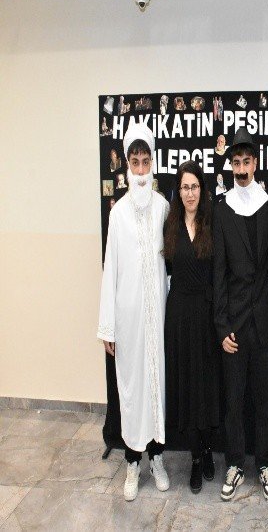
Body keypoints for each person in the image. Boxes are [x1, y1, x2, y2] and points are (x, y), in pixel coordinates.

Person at [97, 122, 170, 502]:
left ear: (153, 163)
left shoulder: (163, 208)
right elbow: (110, 271)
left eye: (146, 162)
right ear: (127, 165)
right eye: (135, 163)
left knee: (155, 387)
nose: (141, 171)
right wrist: (108, 327)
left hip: (157, 320)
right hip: (127, 321)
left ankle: (156, 458)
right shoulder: (118, 214)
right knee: (131, 389)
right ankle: (131, 461)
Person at [213, 127, 268, 502]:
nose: (240, 168)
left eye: (246, 162)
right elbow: (218, 273)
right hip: (234, 325)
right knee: (234, 402)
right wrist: (221, 326)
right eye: (235, 162)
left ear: (255, 163)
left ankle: (265, 463)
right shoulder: (221, 209)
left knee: (264, 401)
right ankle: (235, 464)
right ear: (231, 165)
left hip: (263, 322)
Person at [163, 161, 220, 494]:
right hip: (180, 317)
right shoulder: (169, 226)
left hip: (207, 315)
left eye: (194, 186)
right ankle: (196, 457)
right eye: (184, 187)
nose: (189, 193)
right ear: (178, 191)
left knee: (206, 386)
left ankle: (208, 448)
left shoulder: (212, 223)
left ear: (202, 189)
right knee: (188, 387)